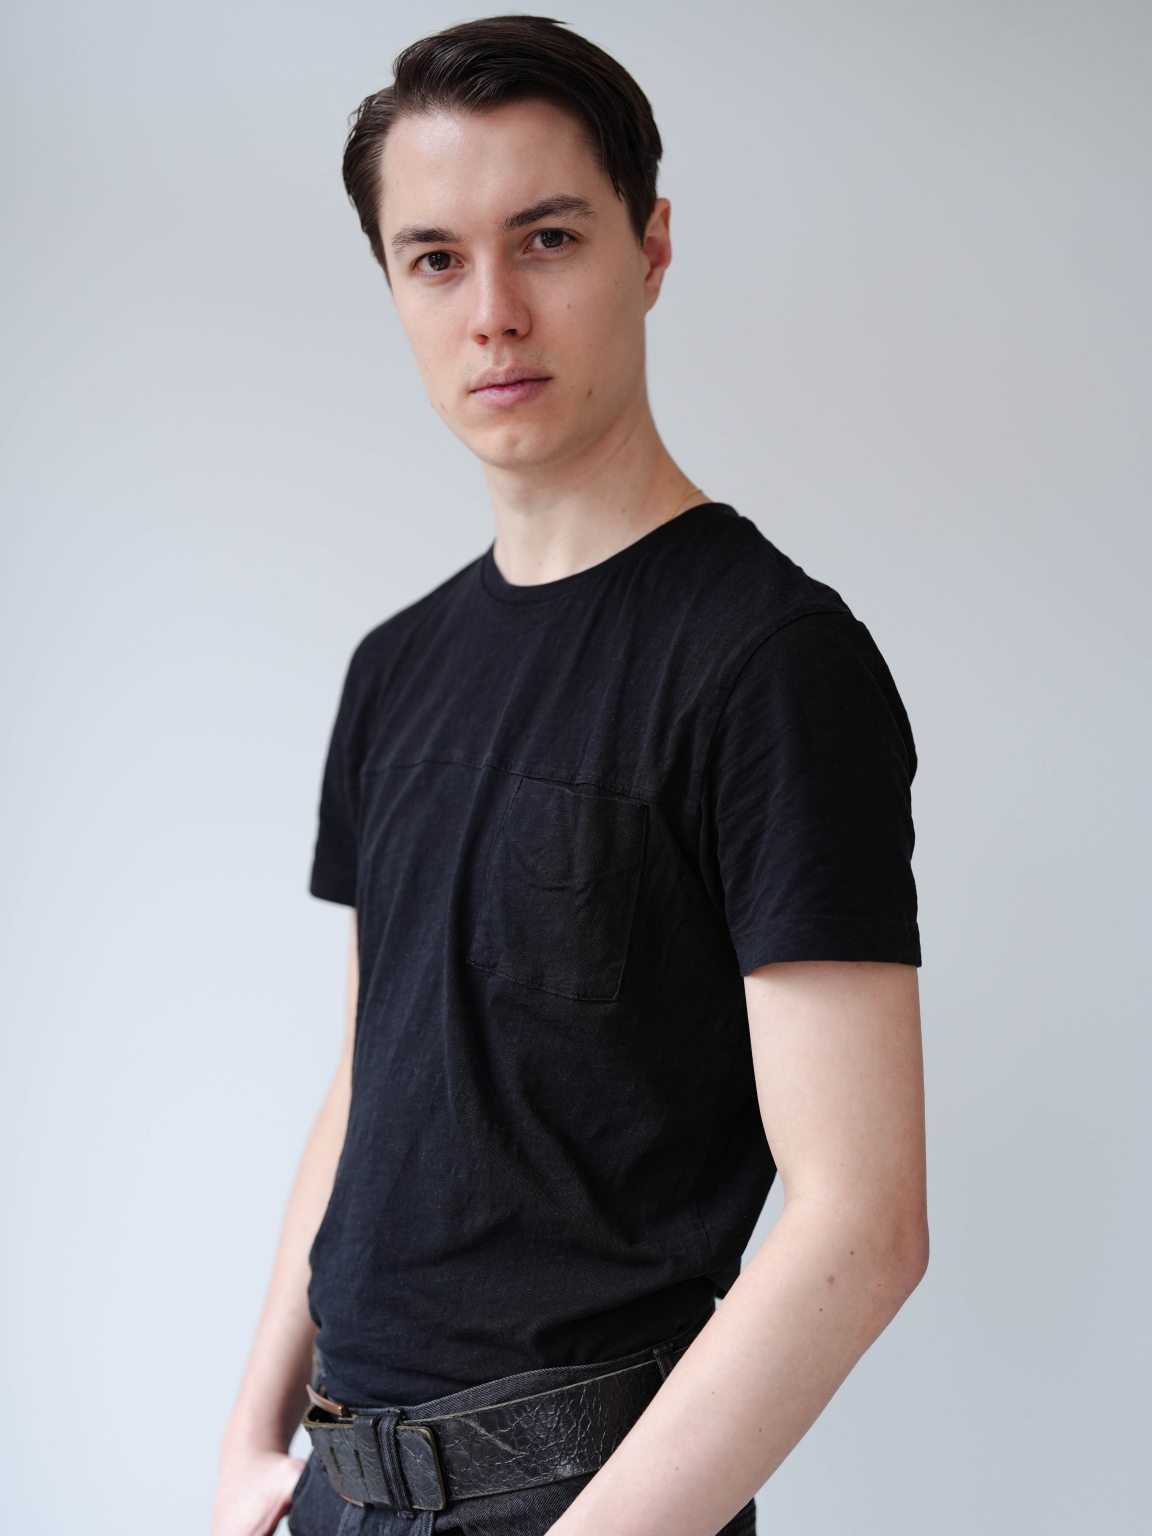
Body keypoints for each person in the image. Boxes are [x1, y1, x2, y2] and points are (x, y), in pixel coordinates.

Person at [210, 15, 928, 1536]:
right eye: (435, 259)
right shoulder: (394, 666)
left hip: (580, 1494)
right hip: (337, 1485)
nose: (493, 314)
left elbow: (862, 1224)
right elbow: (372, 1075)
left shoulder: (771, 661)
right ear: (395, 287)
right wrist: (248, 1437)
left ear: (650, 246)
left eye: (546, 238)